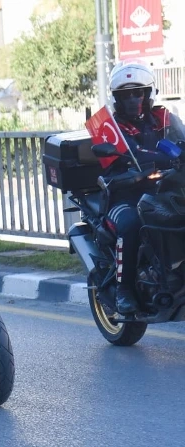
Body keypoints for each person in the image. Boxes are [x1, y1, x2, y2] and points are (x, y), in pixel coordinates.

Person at [103, 61, 185, 315]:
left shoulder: (165, 119)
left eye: (138, 93)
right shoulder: (110, 128)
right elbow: (112, 164)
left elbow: (182, 141)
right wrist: (134, 174)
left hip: (162, 190)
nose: (132, 100)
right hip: (123, 197)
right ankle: (124, 290)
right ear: (116, 99)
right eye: (125, 95)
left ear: (149, 93)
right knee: (131, 225)